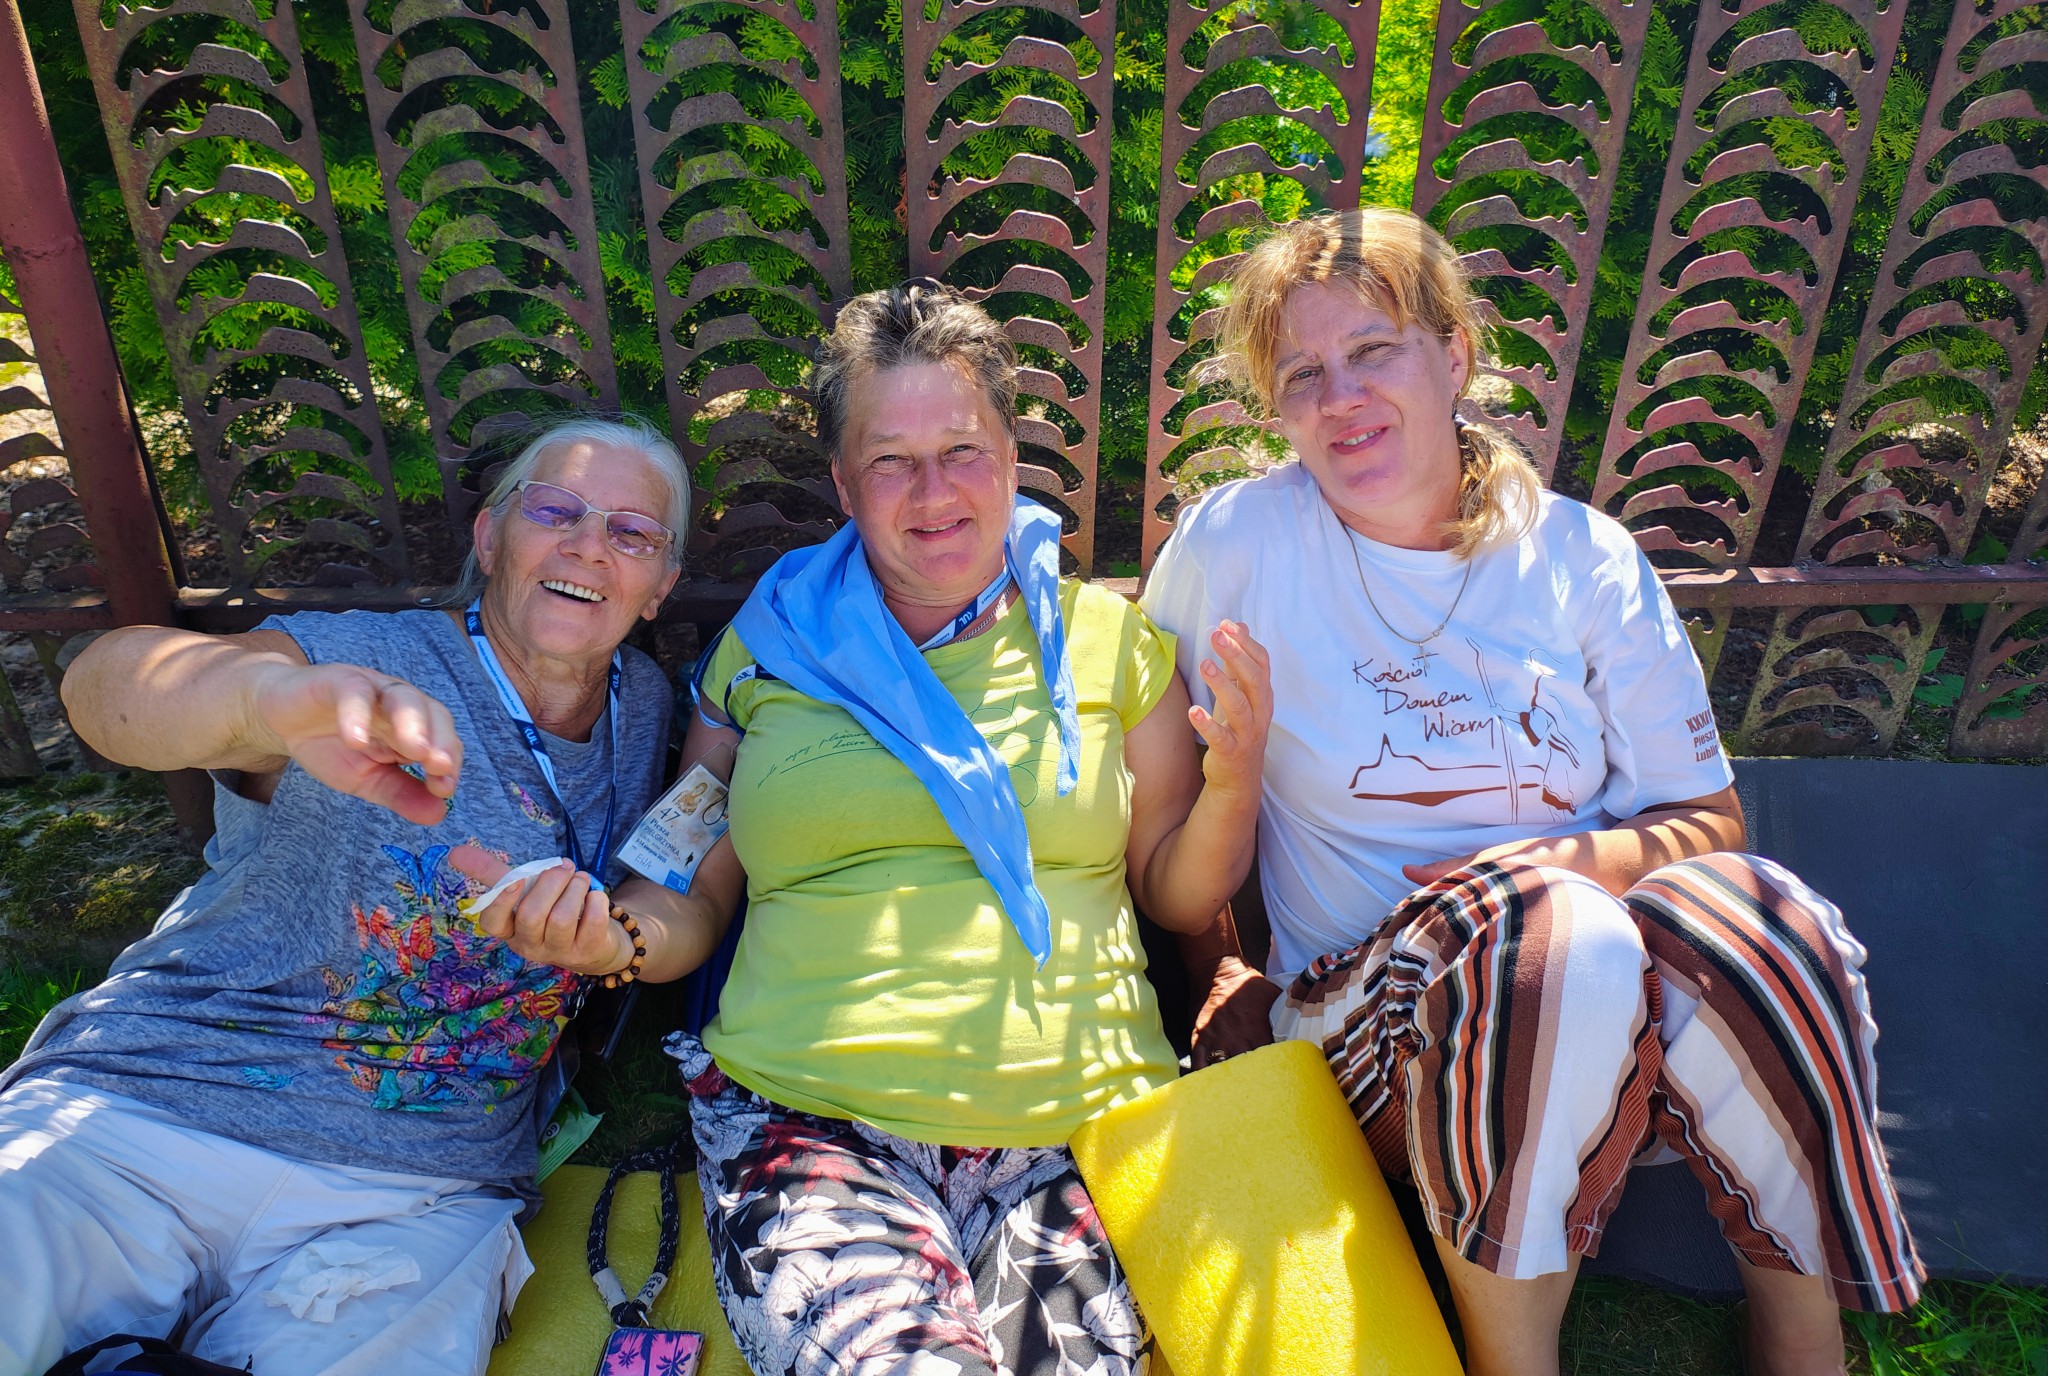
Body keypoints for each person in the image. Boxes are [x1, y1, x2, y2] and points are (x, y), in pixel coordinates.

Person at [1141, 210, 1923, 1376]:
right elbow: (1162, 815)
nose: (1340, 396)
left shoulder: (1578, 557)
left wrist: (1555, 866)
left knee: (1763, 919)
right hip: (1378, 1033)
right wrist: (1215, 959)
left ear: (1453, 355)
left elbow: (1707, 824)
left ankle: (1798, 1339)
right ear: (1278, 409)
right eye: (1300, 374)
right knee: (1554, 940)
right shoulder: (1239, 545)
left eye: (1372, 351)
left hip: (1602, 999)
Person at [0, 417, 706, 1376]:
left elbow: (676, 896)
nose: (589, 545)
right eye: (555, 511)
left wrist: (613, 938)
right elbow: (109, 688)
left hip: (414, 1195)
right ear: (490, 536)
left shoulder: (647, 708)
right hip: (147, 1113)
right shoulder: (365, 663)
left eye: (632, 533)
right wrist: (263, 703)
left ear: (661, 584)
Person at [657, 280, 1272, 1376]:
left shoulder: (1108, 644)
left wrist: (1234, 781)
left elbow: (1175, 891)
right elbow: (684, 866)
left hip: (1083, 1134)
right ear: (843, 482)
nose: (933, 491)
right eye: (891, 460)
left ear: (1010, 457)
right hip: (812, 1120)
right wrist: (623, 935)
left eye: (963, 451)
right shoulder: (767, 645)